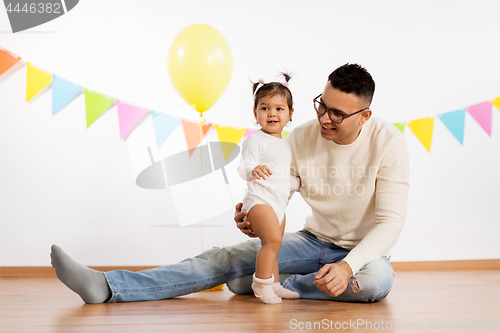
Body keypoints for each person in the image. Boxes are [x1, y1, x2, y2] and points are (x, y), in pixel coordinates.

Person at [50, 63, 409, 304]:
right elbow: (282, 185)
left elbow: (390, 222)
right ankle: (110, 287)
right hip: (312, 240)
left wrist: (348, 265)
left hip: (363, 252)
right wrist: (256, 209)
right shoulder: (299, 137)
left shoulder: (388, 142)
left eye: (337, 114)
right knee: (226, 257)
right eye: (321, 105)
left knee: (376, 282)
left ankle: (271, 283)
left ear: (364, 116)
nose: (325, 119)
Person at [237, 74, 300, 304]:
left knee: (273, 244)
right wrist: (252, 170)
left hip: (278, 204)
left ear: (290, 114)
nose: (272, 113)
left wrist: (296, 183)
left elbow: (282, 174)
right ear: (256, 113)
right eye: (264, 108)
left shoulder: (286, 143)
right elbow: (242, 167)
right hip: (259, 201)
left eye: (279, 108)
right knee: (272, 241)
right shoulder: (256, 140)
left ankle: (273, 284)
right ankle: (261, 284)